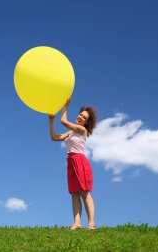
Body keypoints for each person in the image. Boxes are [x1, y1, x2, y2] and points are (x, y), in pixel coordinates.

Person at [48, 97, 98, 230]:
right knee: (74, 193)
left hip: (79, 161)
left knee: (84, 192)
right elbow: (54, 137)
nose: (81, 117)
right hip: (71, 162)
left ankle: (91, 223)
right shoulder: (72, 132)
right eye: (80, 114)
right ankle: (77, 223)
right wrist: (51, 121)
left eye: (84, 117)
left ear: (86, 122)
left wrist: (65, 106)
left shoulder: (82, 131)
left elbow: (63, 121)